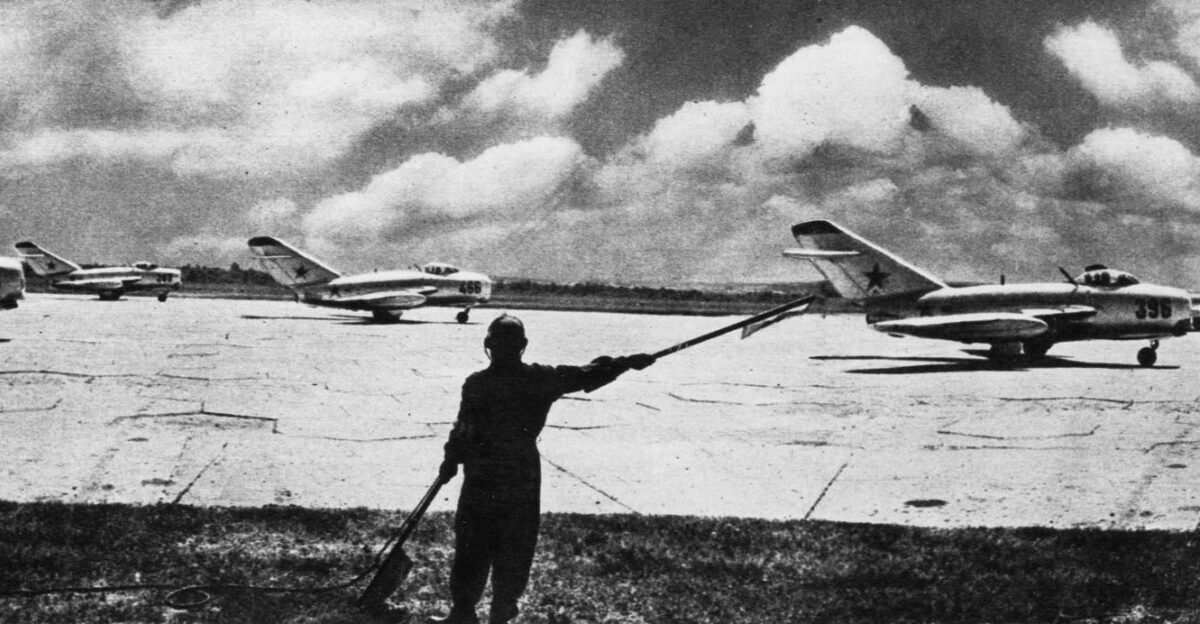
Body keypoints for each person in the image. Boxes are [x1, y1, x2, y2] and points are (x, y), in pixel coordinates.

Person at [432, 313, 655, 624]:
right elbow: (587, 374)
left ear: (488, 345)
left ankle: (463, 611)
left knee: (473, 541)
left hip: (482, 473)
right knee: (515, 543)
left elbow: (463, 430)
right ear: (523, 345)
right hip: (521, 471)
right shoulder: (541, 378)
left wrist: (450, 461)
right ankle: (500, 611)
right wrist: (626, 362)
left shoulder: (477, 383)